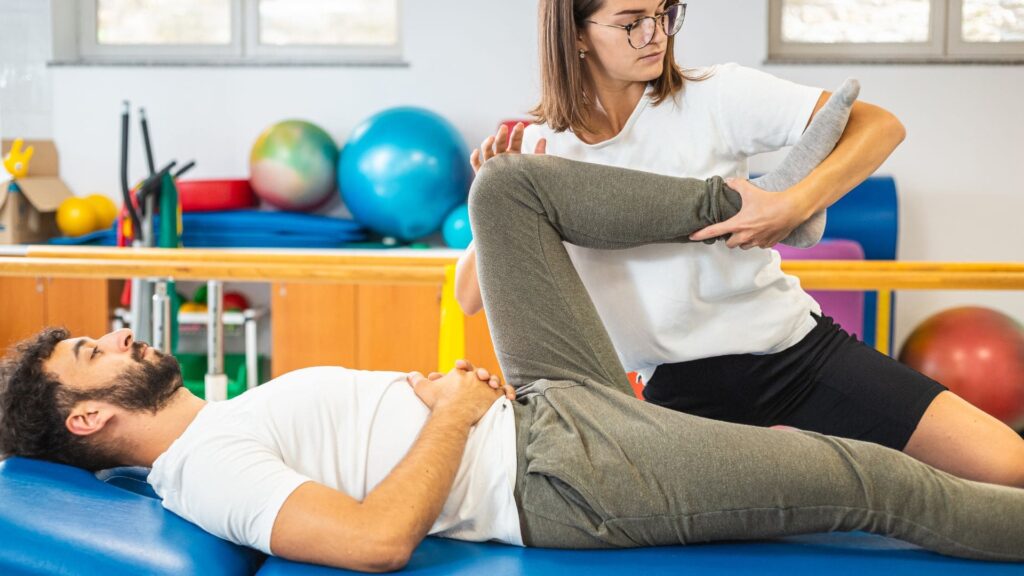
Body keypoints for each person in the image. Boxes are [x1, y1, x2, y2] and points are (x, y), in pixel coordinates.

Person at [1, 149, 1023, 574]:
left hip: (547, 406)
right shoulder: (199, 474)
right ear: (85, 419)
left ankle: (751, 203)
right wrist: (448, 409)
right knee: (869, 480)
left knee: (505, 194)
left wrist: (442, 405)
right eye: (94, 352)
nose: (122, 335)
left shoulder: (221, 415)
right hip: (562, 474)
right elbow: (371, 544)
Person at [456, 0, 1024, 487]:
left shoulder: (715, 94)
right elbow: (468, 296)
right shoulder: (538, 148)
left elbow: (878, 125)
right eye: (631, 22)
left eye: (664, 14)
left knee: (1006, 465)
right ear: (575, 33)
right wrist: (498, 195)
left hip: (792, 351)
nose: (655, 34)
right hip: (677, 393)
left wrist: (793, 205)